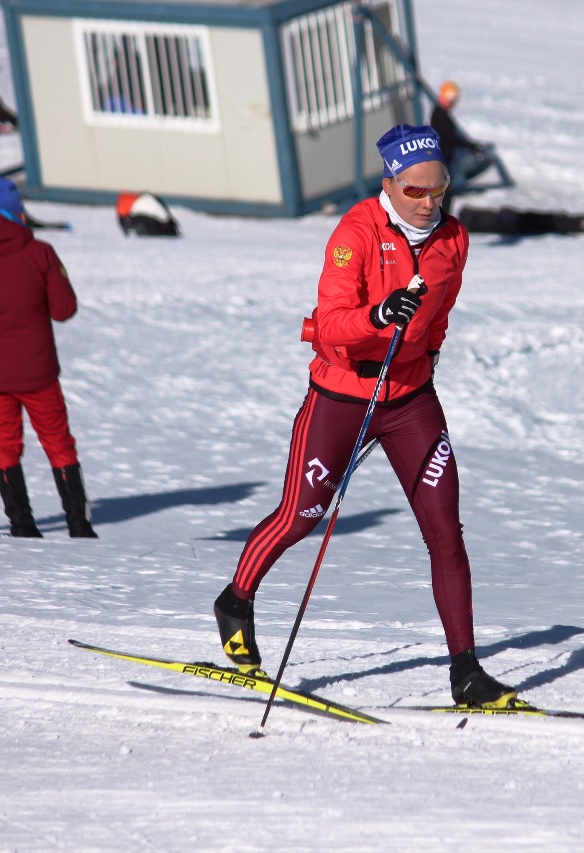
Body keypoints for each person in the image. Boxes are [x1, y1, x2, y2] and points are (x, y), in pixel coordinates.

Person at [213, 124, 517, 709]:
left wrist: (428, 355)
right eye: (415, 192)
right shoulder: (356, 233)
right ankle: (236, 599)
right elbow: (329, 323)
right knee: (301, 516)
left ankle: (466, 671)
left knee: (445, 532)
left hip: (410, 400)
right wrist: (378, 315)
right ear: (390, 183)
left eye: (438, 190)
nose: (428, 203)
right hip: (343, 395)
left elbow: (441, 311)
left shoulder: (453, 238)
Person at [0, 178, 96, 539]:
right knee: (58, 442)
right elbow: (64, 309)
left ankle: (21, 524)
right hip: (37, 370)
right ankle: (78, 523)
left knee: (6, 444)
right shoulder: (40, 252)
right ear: (19, 213)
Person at [428, 80, 492, 216]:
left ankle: (445, 219)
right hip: (443, 160)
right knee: (445, 191)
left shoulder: (442, 114)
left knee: (446, 192)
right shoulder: (440, 115)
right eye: (449, 99)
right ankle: (443, 219)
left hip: (446, 159)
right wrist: (470, 146)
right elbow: (451, 137)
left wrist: (470, 145)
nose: (452, 103)